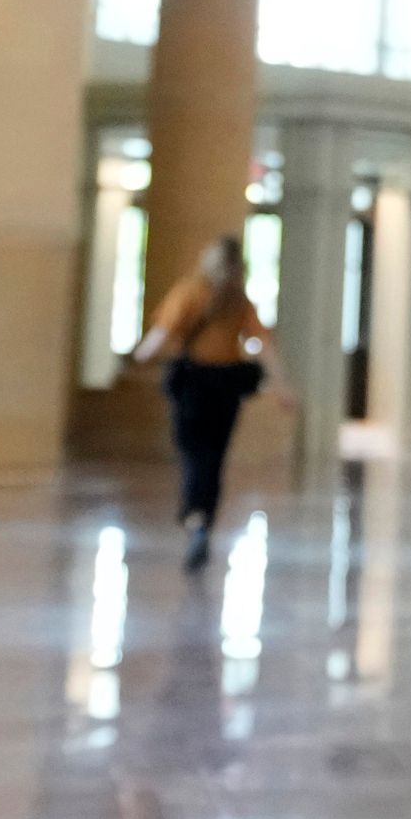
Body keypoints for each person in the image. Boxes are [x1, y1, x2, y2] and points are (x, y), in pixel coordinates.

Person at [130, 233, 268, 571]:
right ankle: (204, 517)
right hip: (227, 385)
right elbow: (265, 344)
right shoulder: (239, 302)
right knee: (214, 457)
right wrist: (282, 388)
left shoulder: (190, 292)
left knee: (193, 452)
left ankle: (195, 515)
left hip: (194, 383)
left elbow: (161, 334)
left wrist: (139, 356)